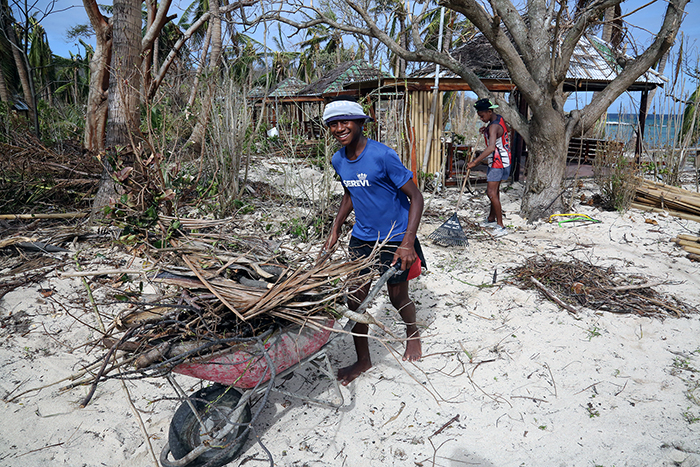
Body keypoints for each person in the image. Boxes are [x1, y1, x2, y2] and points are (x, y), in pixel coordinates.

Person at [320, 99, 425, 386]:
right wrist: (336, 228)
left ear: (360, 123)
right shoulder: (338, 160)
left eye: (346, 122)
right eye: (333, 124)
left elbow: (416, 197)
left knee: (396, 297)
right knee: (356, 300)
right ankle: (364, 359)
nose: (339, 128)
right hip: (362, 238)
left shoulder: (382, 155)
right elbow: (350, 193)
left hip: (394, 237)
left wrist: (407, 242)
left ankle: (412, 333)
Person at [466, 97, 511, 237]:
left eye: (482, 115)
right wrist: (487, 131)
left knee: (491, 193)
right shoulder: (498, 120)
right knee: (494, 192)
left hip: (498, 162)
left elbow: (491, 147)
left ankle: (501, 226)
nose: (481, 118)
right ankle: (492, 219)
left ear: (489, 111)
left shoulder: (493, 126)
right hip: (504, 160)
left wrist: (475, 162)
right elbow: (504, 131)